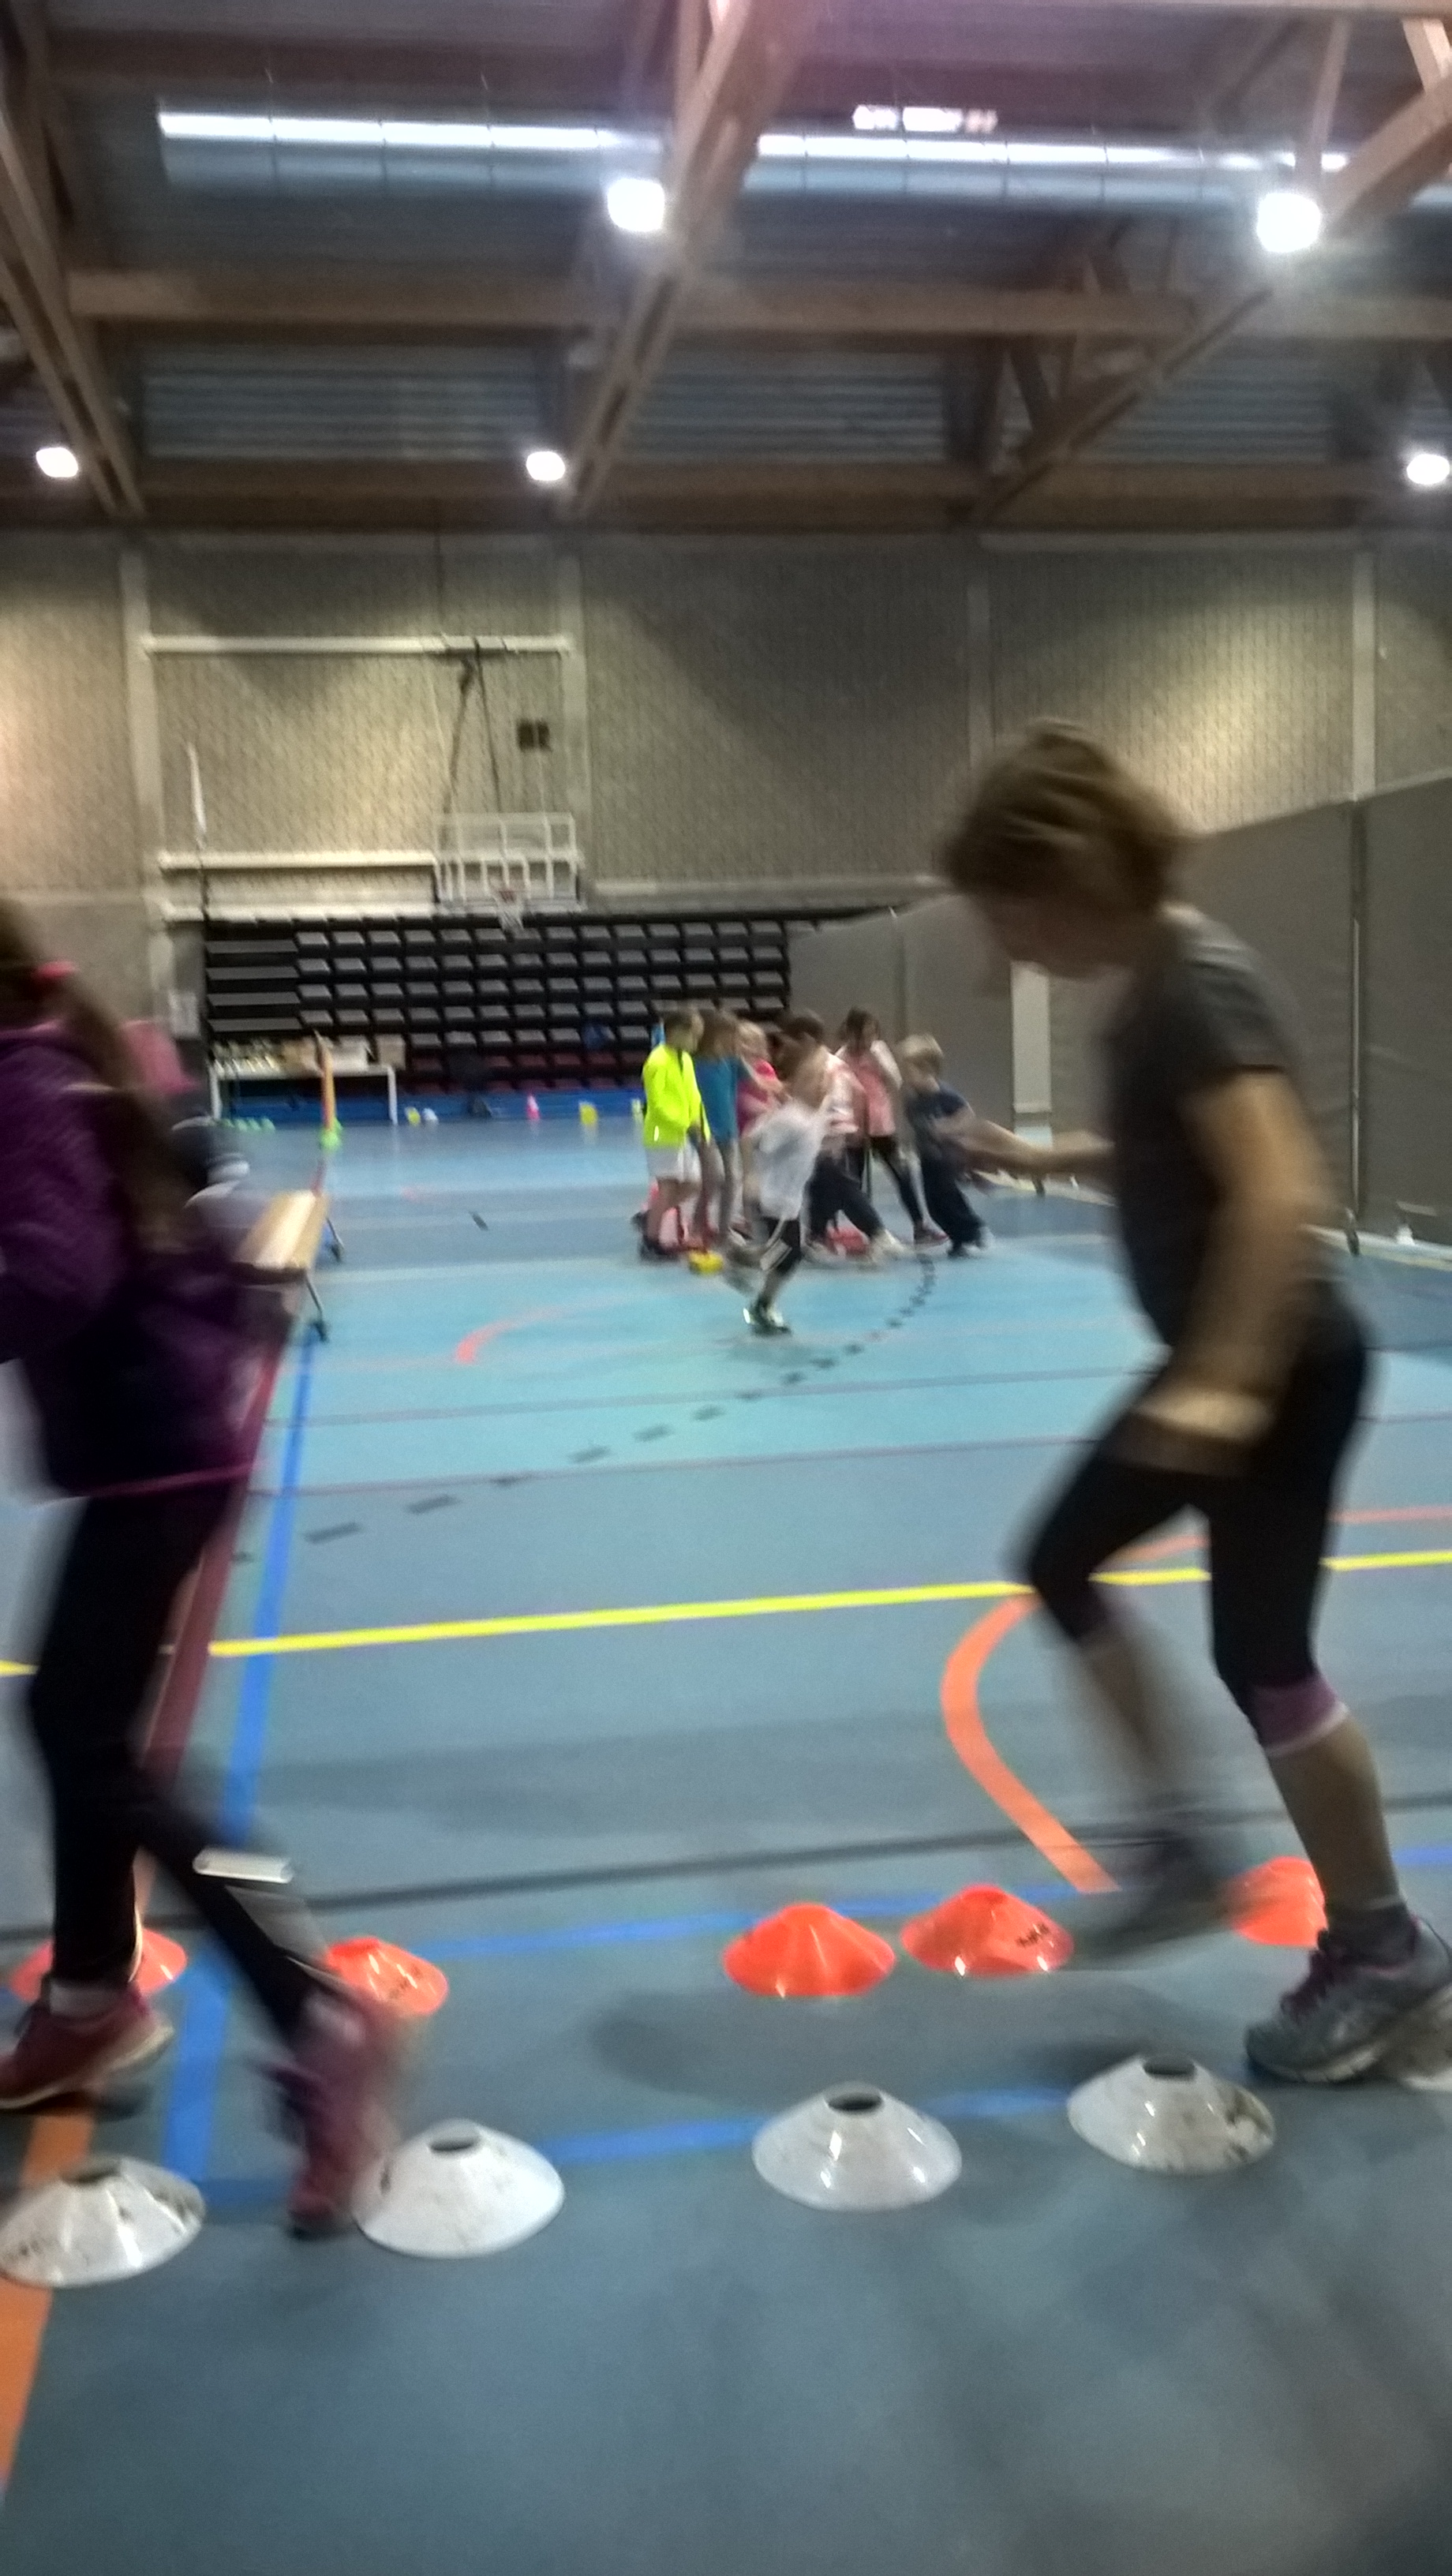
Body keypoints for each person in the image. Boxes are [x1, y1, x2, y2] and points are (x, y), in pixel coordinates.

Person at [940, 721, 1451, 2081]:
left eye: (1009, 915)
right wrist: (1041, 1160)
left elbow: (1280, 1188)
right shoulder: (1158, 985)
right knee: (1110, 1585)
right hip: (1247, 1365)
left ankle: (1381, 1946)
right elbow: (1173, 1152)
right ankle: (1197, 1853)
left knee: (1263, 1660)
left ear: (1066, 878)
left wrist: (1224, 1382)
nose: (1007, 950)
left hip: (1278, 1365)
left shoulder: (1195, 985)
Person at [0, 903, 398, 2233]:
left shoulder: (21, 1084)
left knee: (99, 1749)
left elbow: (56, 1274)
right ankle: (89, 1998)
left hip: (152, 1449)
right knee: (75, 1727)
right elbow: (187, 1229)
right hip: (163, 1436)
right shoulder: (66, 1056)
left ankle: (318, 2013)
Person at [726, 1039, 833, 1336]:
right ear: (792, 1085)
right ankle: (754, 1289)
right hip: (769, 1198)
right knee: (787, 1254)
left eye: (823, 1076)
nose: (821, 1082)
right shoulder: (791, 1120)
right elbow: (749, 1140)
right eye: (812, 1078)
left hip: (790, 1200)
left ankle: (752, 1278)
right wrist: (750, 1177)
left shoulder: (815, 1110)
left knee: (787, 1255)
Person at [778, 1013, 903, 1263]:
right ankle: (816, 1237)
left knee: (838, 1183)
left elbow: (816, 1102)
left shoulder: (820, 1067)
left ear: (805, 1039)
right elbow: (858, 1092)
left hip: (826, 1133)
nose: (785, 1047)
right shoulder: (831, 1062)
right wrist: (855, 1125)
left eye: (789, 1042)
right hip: (830, 1131)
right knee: (822, 1184)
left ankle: (878, 1233)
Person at [836, 1009, 936, 1247]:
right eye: (864, 1034)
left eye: (872, 1034)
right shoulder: (841, 1057)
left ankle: (920, 1226)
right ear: (852, 1033)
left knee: (902, 1173)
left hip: (881, 1125)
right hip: (854, 1127)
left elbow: (895, 1082)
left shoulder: (879, 1051)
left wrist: (877, 1060)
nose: (868, 1039)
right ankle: (868, 1231)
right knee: (853, 1181)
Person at [896, 1035, 989, 1256]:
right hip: (927, 1158)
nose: (906, 1077)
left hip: (946, 1157)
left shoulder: (945, 1095)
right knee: (933, 1204)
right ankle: (957, 1236)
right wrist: (907, 1149)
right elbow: (914, 1127)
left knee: (949, 1197)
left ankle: (972, 1228)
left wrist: (947, 1128)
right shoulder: (913, 1100)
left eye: (910, 1072)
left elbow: (967, 1115)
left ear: (927, 1070)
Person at [639, 1008, 707, 1259]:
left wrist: (702, 1126)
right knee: (667, 1187)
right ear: (678, 1032)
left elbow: (693, 1096)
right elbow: (658, 1103)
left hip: (683, 1134)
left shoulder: (685, 1060)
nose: (697, 1041)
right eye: (694, 1035)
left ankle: (652, 1216)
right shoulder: (657, 1061)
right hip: (663, 1135)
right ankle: (651, 1242)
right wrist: (685, 1123)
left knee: (693, 1183)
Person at [692, 1008, 743, 1247]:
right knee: (714, 1177)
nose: (732, 1040)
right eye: (727, 1034)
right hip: (704, 1129)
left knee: (733, 1178)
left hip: (728, 1128)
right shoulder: (694, 1063)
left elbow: (758, 1080)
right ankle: (697, 1226)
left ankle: (725, 1229)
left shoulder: (732, 1061)